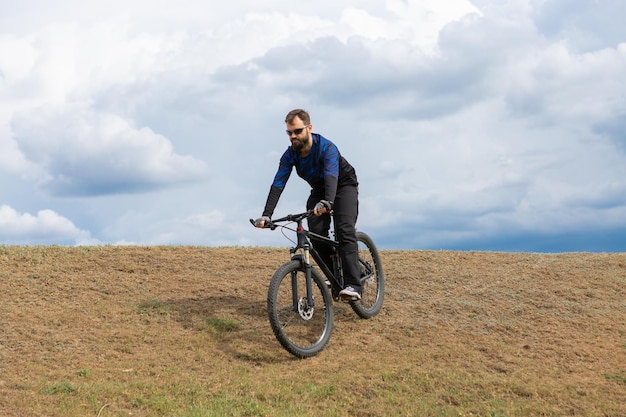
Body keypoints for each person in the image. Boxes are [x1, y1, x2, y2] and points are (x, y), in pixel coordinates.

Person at [254, 109, 362, 300]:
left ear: (309, 128)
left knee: (344, 230)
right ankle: (334, 275)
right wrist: (266, 215)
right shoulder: (290, 155)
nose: (293, 136)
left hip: (343, 186)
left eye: (297, 131)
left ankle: (354, 284)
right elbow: (278, 183)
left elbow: (331, 175)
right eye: (289, 132)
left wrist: (328, 202)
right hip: (319, 192)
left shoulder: (326, 148)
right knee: (315, 233)